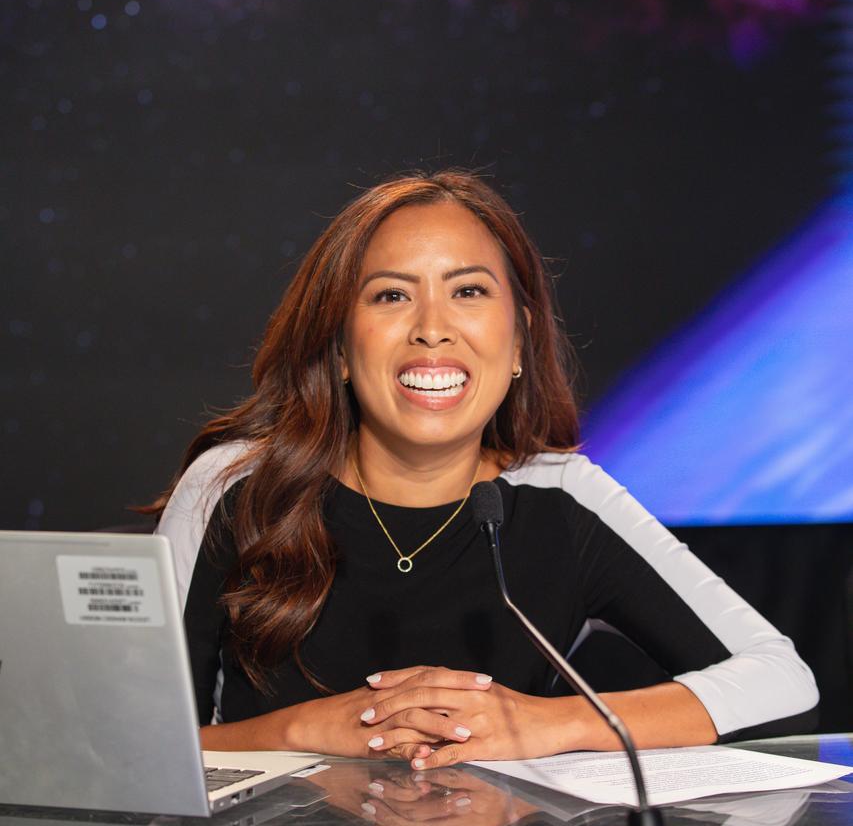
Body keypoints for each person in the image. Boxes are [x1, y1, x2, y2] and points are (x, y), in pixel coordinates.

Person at [155, 170, 817, 770]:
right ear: (339, 351)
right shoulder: (233, 488)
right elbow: (124, 742)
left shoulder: (563, 499)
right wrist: (302, 730)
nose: (432, 329)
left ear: (521, 341)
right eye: (389, 296)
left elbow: (781, 686)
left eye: (468, 290)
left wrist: (544, 724)